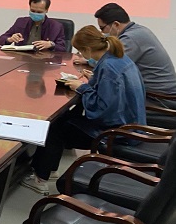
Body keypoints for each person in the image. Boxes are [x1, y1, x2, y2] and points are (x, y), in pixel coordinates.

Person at [21, 25, 146, 195]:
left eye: (80, 51)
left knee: (55, 127)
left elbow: (102, 109)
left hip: (116, 133)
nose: (80, 54)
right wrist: (94, 80)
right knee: (65, 119)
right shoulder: (118, 59)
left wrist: (82, 88)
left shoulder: (108, 68)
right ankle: (50, 169)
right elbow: (114, 94)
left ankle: (40, 178)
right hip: (133, 124)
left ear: (87, 49)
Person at [80, 3, 176, 126]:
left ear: (116, 24)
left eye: (102, 29)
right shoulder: (139, 30)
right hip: (157, 92)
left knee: (100, 106)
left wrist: (91, 67)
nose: (102, 34)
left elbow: (111, 63)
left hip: (160, 98)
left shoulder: (131, 38)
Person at [0, 0, 66, 52]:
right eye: (32, 11)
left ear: (46, 10)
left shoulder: (56, 26)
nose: (35, 14)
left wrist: (51, 45)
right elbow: (1, 39)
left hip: (44, 59)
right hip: (22, 57)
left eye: (39, 12)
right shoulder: (21, 22)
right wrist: (10, 39)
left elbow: (62, 48)